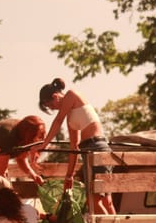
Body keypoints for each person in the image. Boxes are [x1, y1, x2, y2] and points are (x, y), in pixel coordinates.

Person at [37, 78, 116, 214]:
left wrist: (44, 144)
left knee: (94, 200)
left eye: (51, 106)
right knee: (104, 201)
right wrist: (69, 176)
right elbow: (74, 148)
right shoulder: (70, 119)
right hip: (89, 151)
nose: (53, 109)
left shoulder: (71, 95)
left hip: (97, 147)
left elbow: (57, 121)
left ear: (55, 96)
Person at [0, 115, 47, 201]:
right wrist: (10, 192)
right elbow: (1, 173)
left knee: (1, 192)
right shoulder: (8, 135)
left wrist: (34, 176)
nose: (37, 140)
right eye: (37, 136)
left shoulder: (24, 137)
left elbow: (21, 159)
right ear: (28, 133)